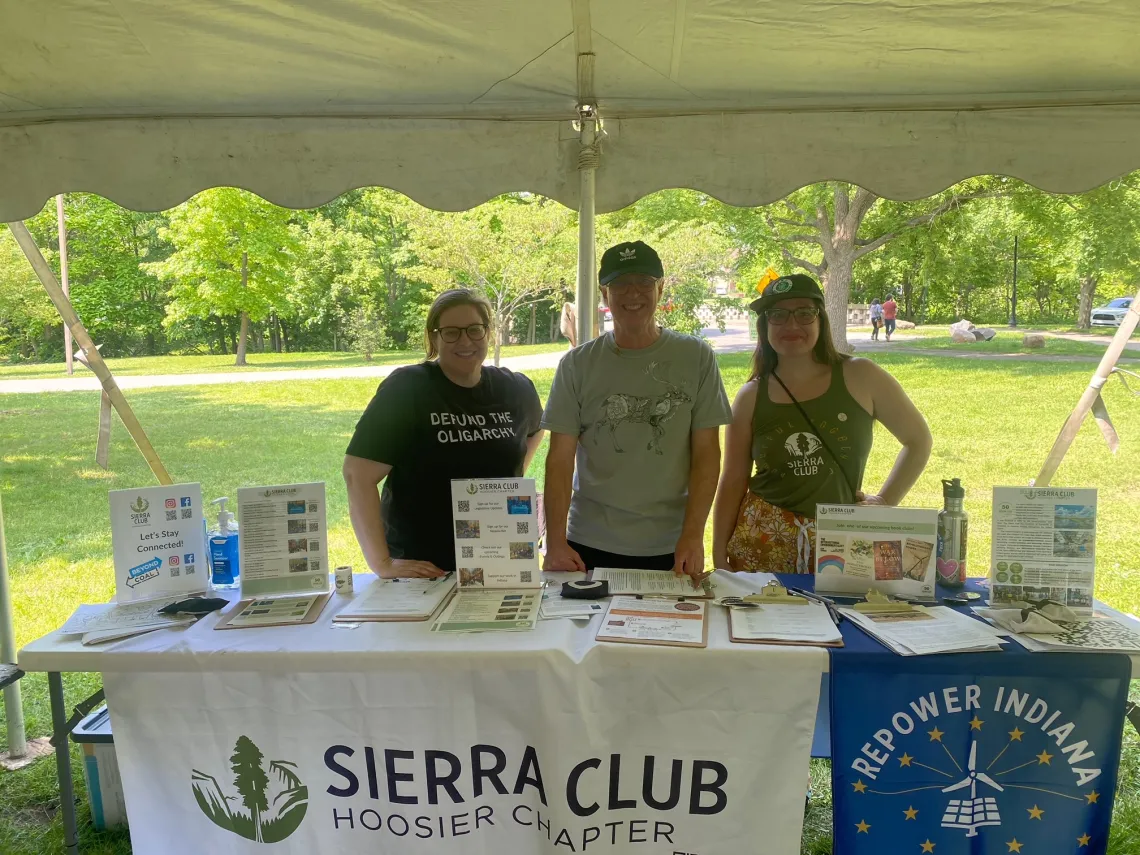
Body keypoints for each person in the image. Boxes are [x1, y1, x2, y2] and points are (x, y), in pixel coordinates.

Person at [711, 274, 931, 574]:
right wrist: (718, 551)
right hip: (761, 541)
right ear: (765, 326)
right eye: (778, 315)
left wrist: (885, 502)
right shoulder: (751, 396)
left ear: (820, 320)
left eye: (804, 313)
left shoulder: (861, 376)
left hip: (842, 538)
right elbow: (733, 479)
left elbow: (918, 441)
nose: (791, 325)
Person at [542, 240, 732, 581]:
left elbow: (707, 454)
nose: (633, 294)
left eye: (644, 283)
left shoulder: (697, 357)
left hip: (671, 545)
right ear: (604, 294)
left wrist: (692, 535)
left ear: (660, 288)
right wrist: (555, 543)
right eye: (620, 285)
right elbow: (558, 458)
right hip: (587, 542)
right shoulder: (576, 365)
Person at [343, 289, 544, 578]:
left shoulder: (516, 388)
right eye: (451, 332)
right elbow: (357, 474)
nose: (465, 341)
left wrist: (506, 483)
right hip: (425, 563)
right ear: (434, 337)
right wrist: (381, 562)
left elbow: (535, 433)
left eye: (475, 330)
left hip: (497, 554)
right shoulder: (408, 388)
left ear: (488, 333)